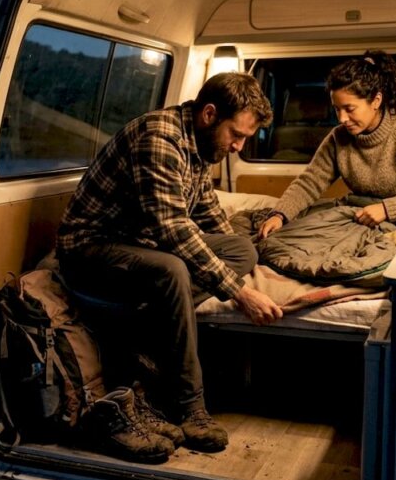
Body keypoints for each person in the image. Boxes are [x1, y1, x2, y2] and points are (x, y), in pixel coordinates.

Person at [56, 72, 283, 458]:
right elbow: (172, 228)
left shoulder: (199, 144)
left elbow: (209, 214)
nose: (238, 146)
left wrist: (242, 266)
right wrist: (239, 293)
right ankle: (190, 406)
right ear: (209, 114)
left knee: (242, 249)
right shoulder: (159, 139)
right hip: (91, 250)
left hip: (141, 246)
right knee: (172, 270)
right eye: (237, 135)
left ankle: (154, 319)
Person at [258, 50, 396, 240]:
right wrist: (280, 214)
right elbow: (310, 182)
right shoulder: (339, 138)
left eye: (350, 109)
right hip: (359, 216)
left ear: (376, 100)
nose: (342, 119)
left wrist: (387, 209)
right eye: (337, 110)